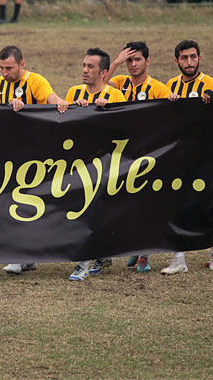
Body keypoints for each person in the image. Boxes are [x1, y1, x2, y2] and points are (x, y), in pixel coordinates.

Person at [0, 45, 68, 275]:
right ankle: (28, 256)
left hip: (35, 154)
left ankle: (21, 255)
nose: (5, 73)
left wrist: (59, 101)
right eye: (1, 68)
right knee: (16, 203)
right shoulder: (0, 84)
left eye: (9, 68)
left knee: (25, 203)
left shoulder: (35, 81)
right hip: (11, 153)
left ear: (22, 64)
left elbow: (49, 96)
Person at [161, 40, 213, 275]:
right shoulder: (171, 85)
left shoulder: (210, 84)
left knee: (206, 205)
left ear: (200, 58)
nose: (189, 62)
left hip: (206, 156)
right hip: (179, 155)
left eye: (193, 57)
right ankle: (178, 259)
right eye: (184, 58)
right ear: (176, 60)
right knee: (175, 204)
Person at [106, 41, 171, 272]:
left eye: (137, 60)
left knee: (145, 203)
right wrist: (115, 62)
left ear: (147, 61)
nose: (133, 65)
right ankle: (134, 249)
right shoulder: (120, 83)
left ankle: (145, 254)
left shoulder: (159, 88)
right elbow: (99, 85)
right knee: (126, 204)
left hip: (148, 154)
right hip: (123, 154)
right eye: (129, 60)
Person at [65, 48, 126, 282]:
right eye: (83, 65)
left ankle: (91, 259)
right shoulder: (73, 92)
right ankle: (90, 259)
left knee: (99, 212)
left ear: (103, 72)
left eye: (90, 67)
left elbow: (125, 131)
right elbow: (62, 127)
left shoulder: (115, 96)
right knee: (84, 212)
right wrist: (74, 111)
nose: (84, 70)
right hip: (78, 164)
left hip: (107, 165)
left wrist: (106, 112)